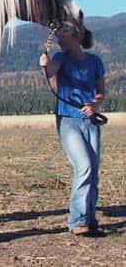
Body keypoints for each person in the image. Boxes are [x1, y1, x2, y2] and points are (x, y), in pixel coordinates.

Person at [39, 28, 106, 236]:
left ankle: (89, 218)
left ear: (76, 37)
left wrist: (95, 105)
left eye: (63, 36)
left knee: (93, 171)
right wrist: (45, 66)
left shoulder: (95, 61)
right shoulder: (60, 57)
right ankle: (77, 220)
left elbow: (101, 91)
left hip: (91, 121)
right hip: (68, 121)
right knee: (84, 166)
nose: (59, 39)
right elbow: (50, 73)